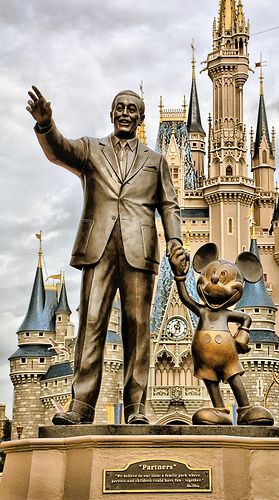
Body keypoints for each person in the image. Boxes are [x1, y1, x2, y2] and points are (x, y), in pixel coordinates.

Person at [26, 85, 186, 425]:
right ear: (111, 114)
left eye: (132, 108)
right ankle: (81, 406)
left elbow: (169, 206)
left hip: (139, 251)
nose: (125, 112)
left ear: (141, 118)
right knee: (92, 323)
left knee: (138, 328)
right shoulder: (91, 150)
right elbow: (59, 150)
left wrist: (175, 241)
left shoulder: (155, 161)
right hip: (98, 249)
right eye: (119, 107)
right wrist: (45, 124)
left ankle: (136, 409)